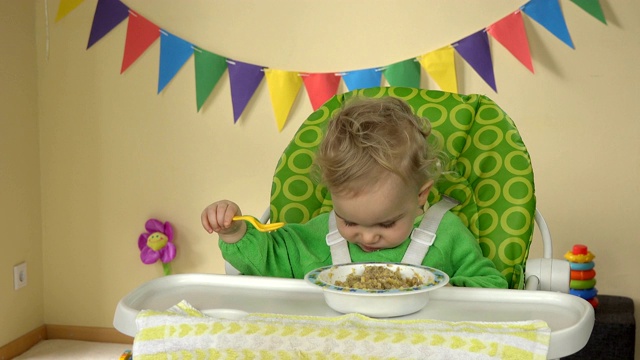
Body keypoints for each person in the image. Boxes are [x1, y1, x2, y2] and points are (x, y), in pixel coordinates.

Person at [201, 96, 508, 288]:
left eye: (386, 224)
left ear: (420, 196)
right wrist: (235, 232)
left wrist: (448, 293)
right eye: (349, 221)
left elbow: (491, 285)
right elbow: (269, 259)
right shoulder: (321, 235)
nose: (368, 237)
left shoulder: (447, 235)